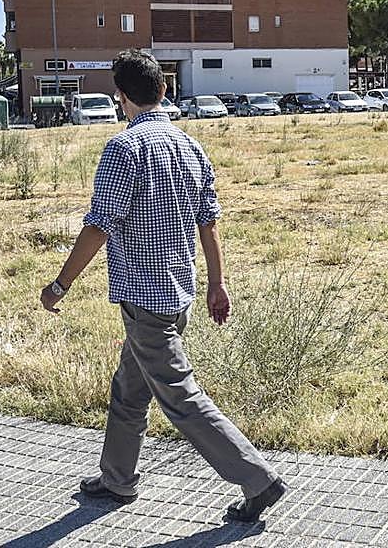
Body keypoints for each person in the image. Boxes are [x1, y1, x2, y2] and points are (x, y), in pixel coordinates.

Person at [39, 49, 285, 522]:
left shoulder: (124, 148)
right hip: (178, 293)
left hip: (144, 300)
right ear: (165, 89)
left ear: (120, 95)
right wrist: (217, 283)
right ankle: (117, 478)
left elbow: (99, 225)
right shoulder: (190, 146)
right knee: (130, 388)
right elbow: (209, 222)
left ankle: (258, 479)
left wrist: (60, 285)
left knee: (179, 395)